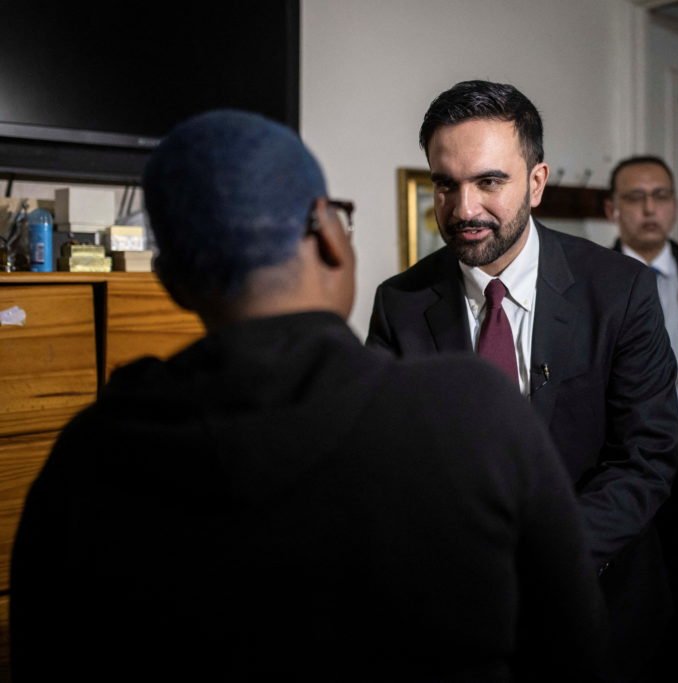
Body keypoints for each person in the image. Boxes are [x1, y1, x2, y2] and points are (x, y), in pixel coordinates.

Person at [10, 110, 606, 682]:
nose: (465, 205)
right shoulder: (475, 414)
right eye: (446, 185)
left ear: (171, 282)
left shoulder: (89, 459)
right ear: (328, 236)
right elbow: (573, 653)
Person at [367, 81, 678, 682]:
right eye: (445, 184)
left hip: (599, 609)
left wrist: (539, 562)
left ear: (536, 182)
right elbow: (383, 461)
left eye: (489, 182)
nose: (463, 210)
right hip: (455, 622)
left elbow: (647, 456)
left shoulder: (621, 291)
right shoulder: (399, 304)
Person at [604, 155, 678, 418]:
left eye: (661, 196)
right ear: (611, 209)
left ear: (675, 205)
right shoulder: (593, 279)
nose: (650, 208)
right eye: (635, 197)